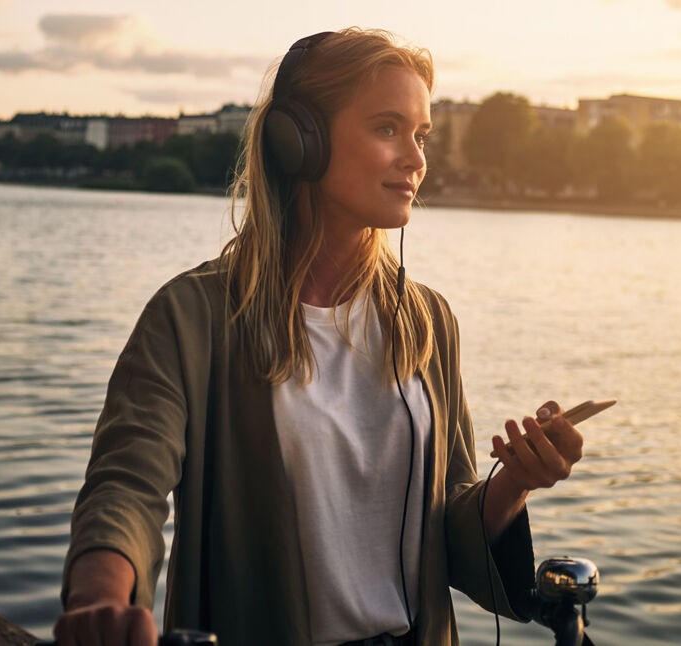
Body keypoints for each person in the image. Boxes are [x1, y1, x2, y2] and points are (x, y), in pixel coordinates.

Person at [53, 28, 584, 646]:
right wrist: (100, 599)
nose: (417, 159)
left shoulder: (429, 321)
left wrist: (515, 481)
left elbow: (451, 528)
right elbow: (127, 487)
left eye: (421, 136)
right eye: (387, 128)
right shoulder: (191, 318)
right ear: (296, 141)